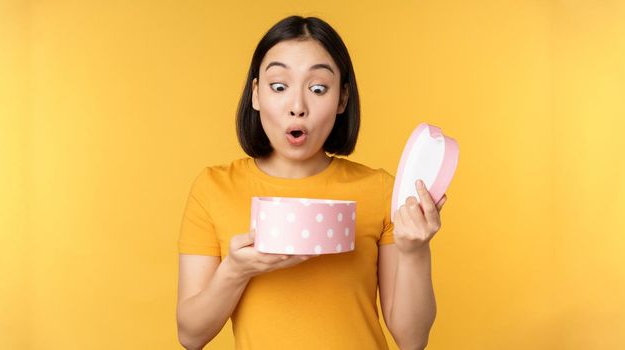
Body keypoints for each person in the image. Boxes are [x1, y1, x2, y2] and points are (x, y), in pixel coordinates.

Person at [176, 15, 448, 350]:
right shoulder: (214, 188)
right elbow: (190, 335)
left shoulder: (380, 190)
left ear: (342, 100)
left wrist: (415, 251)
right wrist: (235, 270)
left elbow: (412, 340)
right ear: (256, 95)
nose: (297, 107)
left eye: (318, 88)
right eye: (279, 86)